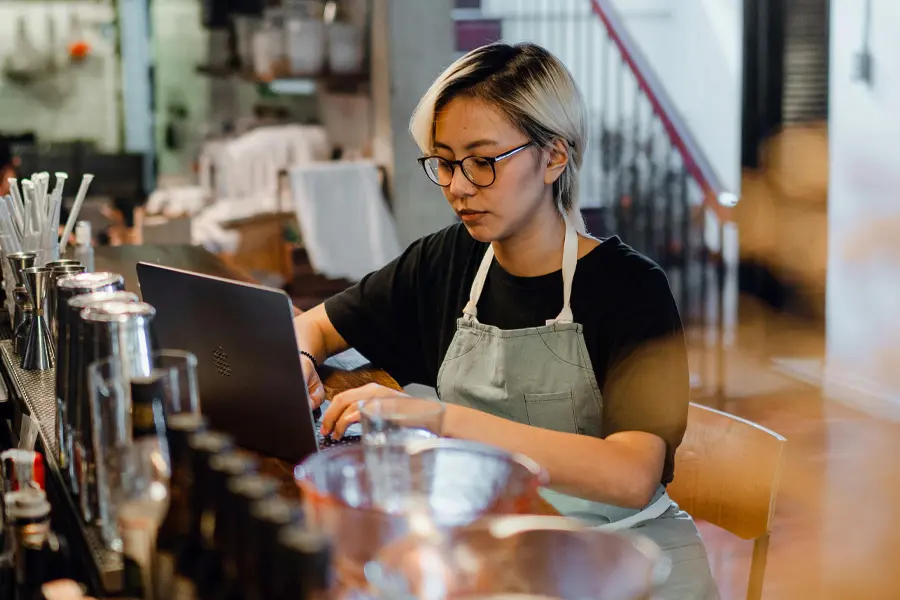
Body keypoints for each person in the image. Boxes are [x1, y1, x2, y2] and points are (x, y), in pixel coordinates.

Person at [292, 42, 718, 598]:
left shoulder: (631, 288)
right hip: (506, 554)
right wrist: (302, 357)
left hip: (628, 562)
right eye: (445, 162)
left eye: (483, 161)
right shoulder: (447, 261)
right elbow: (315, 326)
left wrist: (440, 421)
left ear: (554, 157)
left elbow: (631, 475)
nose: (458, 186)